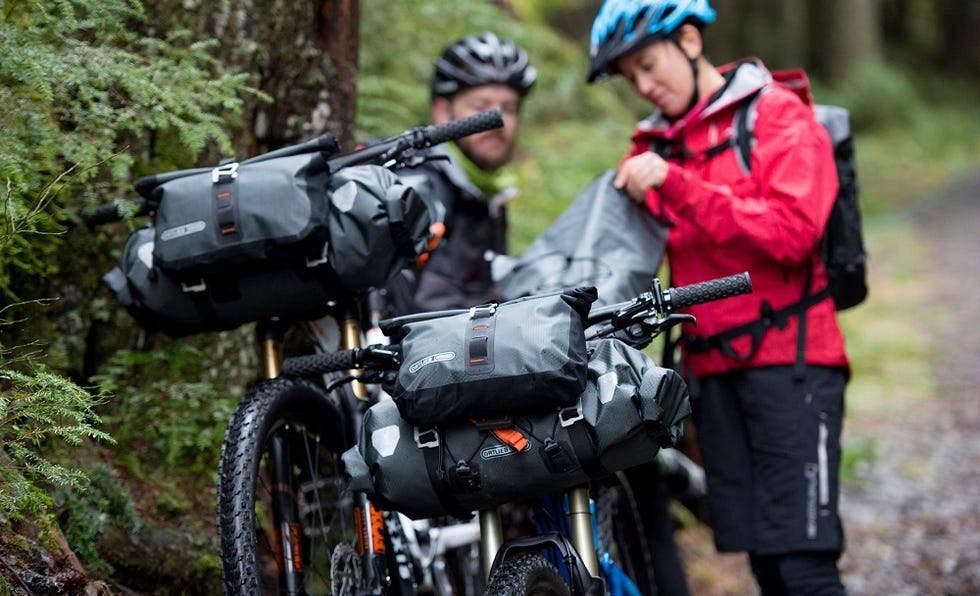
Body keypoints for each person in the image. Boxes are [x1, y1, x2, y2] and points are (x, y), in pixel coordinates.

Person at [587, 1, 850, 595]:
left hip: (793, 366)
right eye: (632, 78)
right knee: (761, 556)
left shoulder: (776, 115)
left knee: (804, 562)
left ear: (689, 40)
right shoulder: (655, 143)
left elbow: (793, 233)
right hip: (709, 372)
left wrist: (677, 184)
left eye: (649, 65)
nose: (645, 86)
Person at [394, 31, 536, 312]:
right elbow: (419, 307)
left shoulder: (484, 190)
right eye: (480, 107)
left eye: (508, 108)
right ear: (442, 112)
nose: (496, 121)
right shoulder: (422, 185)